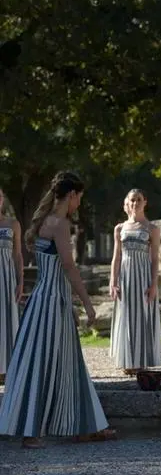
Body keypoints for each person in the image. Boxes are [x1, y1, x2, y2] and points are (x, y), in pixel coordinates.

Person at [0, 172, 115, 448]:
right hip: (52, 303)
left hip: (42, 300)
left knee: (67, 361)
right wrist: (87, 303)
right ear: (71, 195)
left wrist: (72, 303)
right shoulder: (60, 224)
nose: (79, 203)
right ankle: (31, 433)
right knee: (44, 362)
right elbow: (69, 267)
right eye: (79, 198)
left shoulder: (43, 221)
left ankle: (85, 426)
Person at [109, 189, 161, 374]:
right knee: (126, 315)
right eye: (132, 200)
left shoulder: (152, 229)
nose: (135, 203)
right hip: (125, 276)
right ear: (127, 202)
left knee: (142, 315)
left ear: (145, 202)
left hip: (143, 275)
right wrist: (113, 281)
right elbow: (116, 256)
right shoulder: (120, 228)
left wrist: (154, 284)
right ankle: (127, 360)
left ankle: (141, 360)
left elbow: (155, 258)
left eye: (139, 199)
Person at [0, 187, 24, 384]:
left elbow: (17, 254)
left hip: (7, 279)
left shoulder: (13, 224)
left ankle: (8, 368)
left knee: (7, 320)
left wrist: (20, 280)